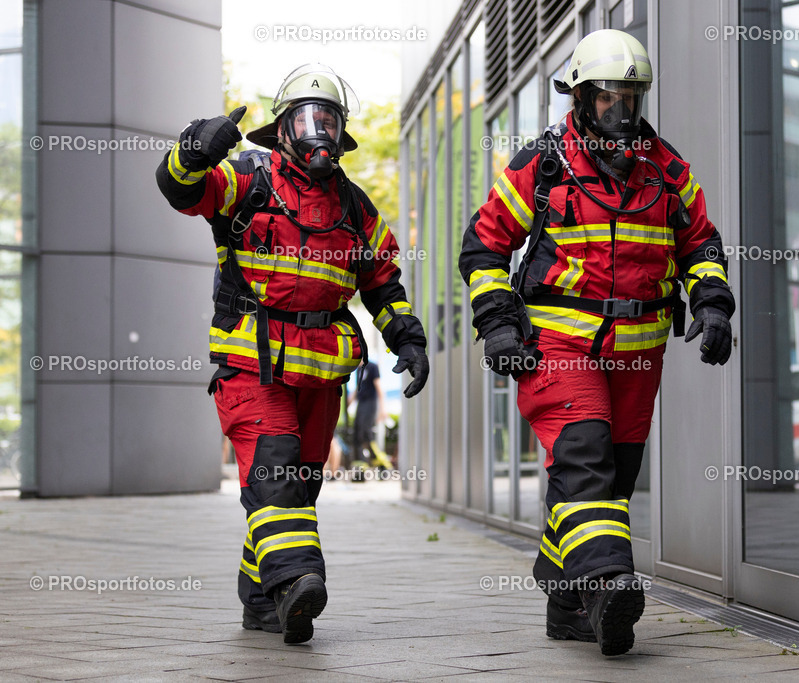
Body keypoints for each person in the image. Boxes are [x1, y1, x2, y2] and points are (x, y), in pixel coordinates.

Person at [459, 30, 734, 656]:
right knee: (585, 458)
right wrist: (499, 322)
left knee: (611, 481)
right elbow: (482, 245)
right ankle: (610, 584)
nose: (622, 112)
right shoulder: (543, 163)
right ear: (581, 98)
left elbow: (701, 246)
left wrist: (713, 305)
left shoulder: (668, 169)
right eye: (609, 99)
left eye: (631, 98)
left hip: (639, 351)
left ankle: (567, 605)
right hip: (557, 346)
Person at [156, 64, 429, 644]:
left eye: (326, 120)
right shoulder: (245, 181)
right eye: (305, 119)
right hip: (252, 367)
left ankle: (260, 599)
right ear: (281, 129)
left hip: (321, 376)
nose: (317, 132)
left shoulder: (355, 209)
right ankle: (298, 581)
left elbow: (383, 282)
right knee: (276, 472)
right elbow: (181, 189)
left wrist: (408, 336)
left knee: (296, 489)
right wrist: (191, 150)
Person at [348, 359, 385, 461]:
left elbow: (379, 388)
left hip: (370, 402)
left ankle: (379, 460)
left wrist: (382, 409)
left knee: (365, 432)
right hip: (361, 403)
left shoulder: (372, 367)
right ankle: (360, 463)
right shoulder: (359, 369)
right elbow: (357, 388)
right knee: (356, 433)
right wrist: (349, 402)